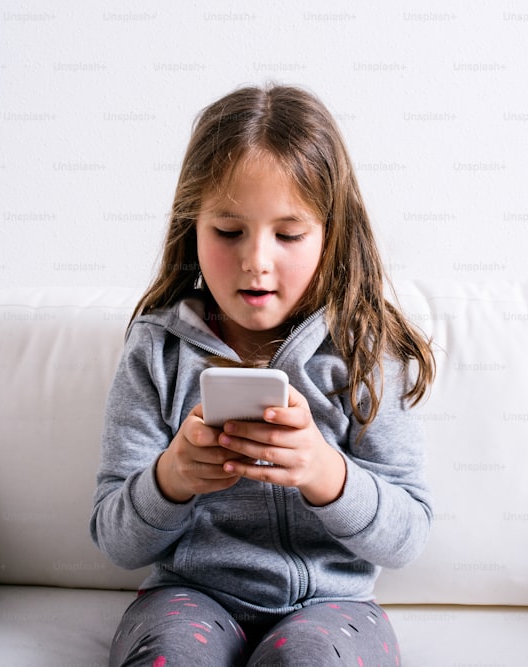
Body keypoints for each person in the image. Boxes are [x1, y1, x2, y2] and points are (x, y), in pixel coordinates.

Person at [91, 83, 436, 667]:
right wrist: (172, 476)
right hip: (188, 597)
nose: (256, 260)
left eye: (289, 233)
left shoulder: (365, 349)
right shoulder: (157, 352)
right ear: (191, 228)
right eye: (228, 232)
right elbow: (116, 540)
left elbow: (408, 536)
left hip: (333, 606)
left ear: (332, 234)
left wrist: (325, 473)